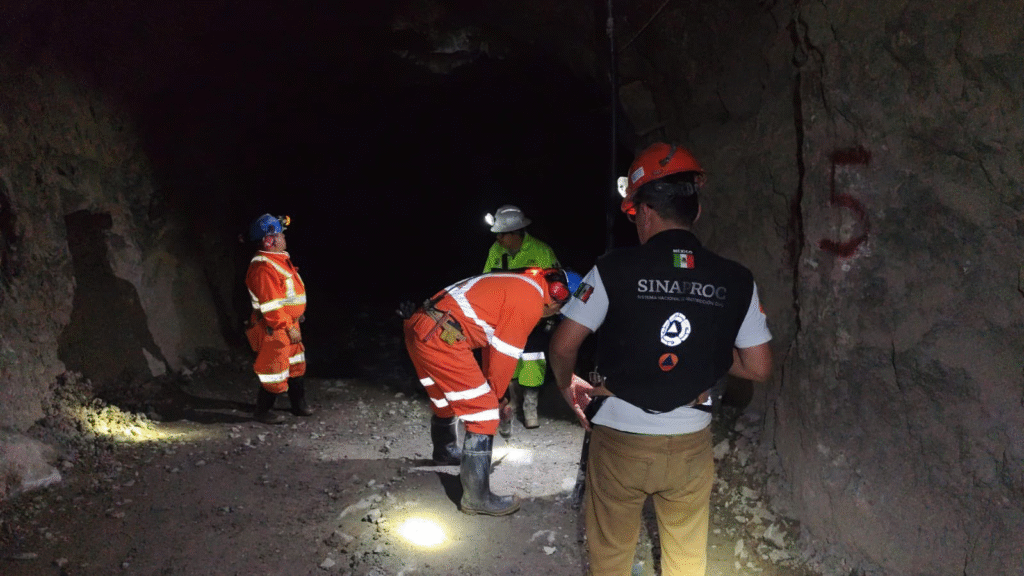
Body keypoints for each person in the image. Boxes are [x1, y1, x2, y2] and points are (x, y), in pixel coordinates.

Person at [549, 142, 773, 575]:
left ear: (645, 212)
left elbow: (563, 345)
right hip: (690, 443)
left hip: (621, 440)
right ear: (697, 211)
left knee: (611, 554)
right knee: (686, 558)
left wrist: (566, 384)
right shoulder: (737, 279)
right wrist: (705, 347)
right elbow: (758, 367)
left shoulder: (613, 269)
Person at [402, 267, 574, 516]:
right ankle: (477, 498)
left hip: (422, 327)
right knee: (483, 413)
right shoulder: (529, 301)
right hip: (441, 336)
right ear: (558, 295)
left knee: (444, 399)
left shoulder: (519, 284)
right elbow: (504, 354)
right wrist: (496, 399)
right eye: (558, 310)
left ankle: (445, 451)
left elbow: (490, 345)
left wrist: (495, 392)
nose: (553, 315)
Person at [483, 204, 560, 431]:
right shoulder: (495, 251)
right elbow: (486, 282)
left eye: (502, 234)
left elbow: (557, 285)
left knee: (533, 360)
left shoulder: (541, 251)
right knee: (509, 359)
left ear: (515, 232)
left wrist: (550, 310)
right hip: (506, 318)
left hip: (536, 318)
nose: (498, 238)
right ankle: (513, 402)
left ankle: (530, 406)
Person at [244, 213, 313, 425]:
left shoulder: (278, 261)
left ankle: (298, 405)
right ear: (269, 240)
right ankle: (262, 411)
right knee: (274, 370)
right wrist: (287, 325)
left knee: (296, 365)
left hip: (288, 324)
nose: (284, 237)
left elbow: (287, 295)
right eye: (280, 234)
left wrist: (296, 314)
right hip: (275, 328)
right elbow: (271, 306)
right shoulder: (263, 268)